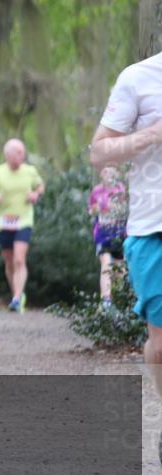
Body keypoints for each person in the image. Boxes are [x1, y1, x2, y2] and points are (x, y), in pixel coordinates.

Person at [90, 51, 162, 406]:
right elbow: (100, 152)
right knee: (161, 346)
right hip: (153, 228)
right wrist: (150, 135)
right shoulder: (138, 78)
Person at [0, 139, 44, 313]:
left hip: (24, 221)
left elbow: (40, 187)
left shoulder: (30, 171)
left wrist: (35, 194)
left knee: (19, 259)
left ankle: (16, 297)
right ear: (8, 155)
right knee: (9, 261)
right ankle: (17, 293)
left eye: (23, 152)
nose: (22, 156)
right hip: (4, 222)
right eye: (18, 153)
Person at [88, 166, 127, 308]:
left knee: (120, 269)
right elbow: (91, 210)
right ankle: (106, 299)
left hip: (119, 234)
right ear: (100, 174)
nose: (108, 174)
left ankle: (119, 299)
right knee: (106, 263)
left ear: (117, 173)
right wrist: (95, 209)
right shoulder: (96, 191)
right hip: (102, 234)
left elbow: (126, 209)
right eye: (105, 171)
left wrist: (115, 207)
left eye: (112, 171)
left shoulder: (121, 189)